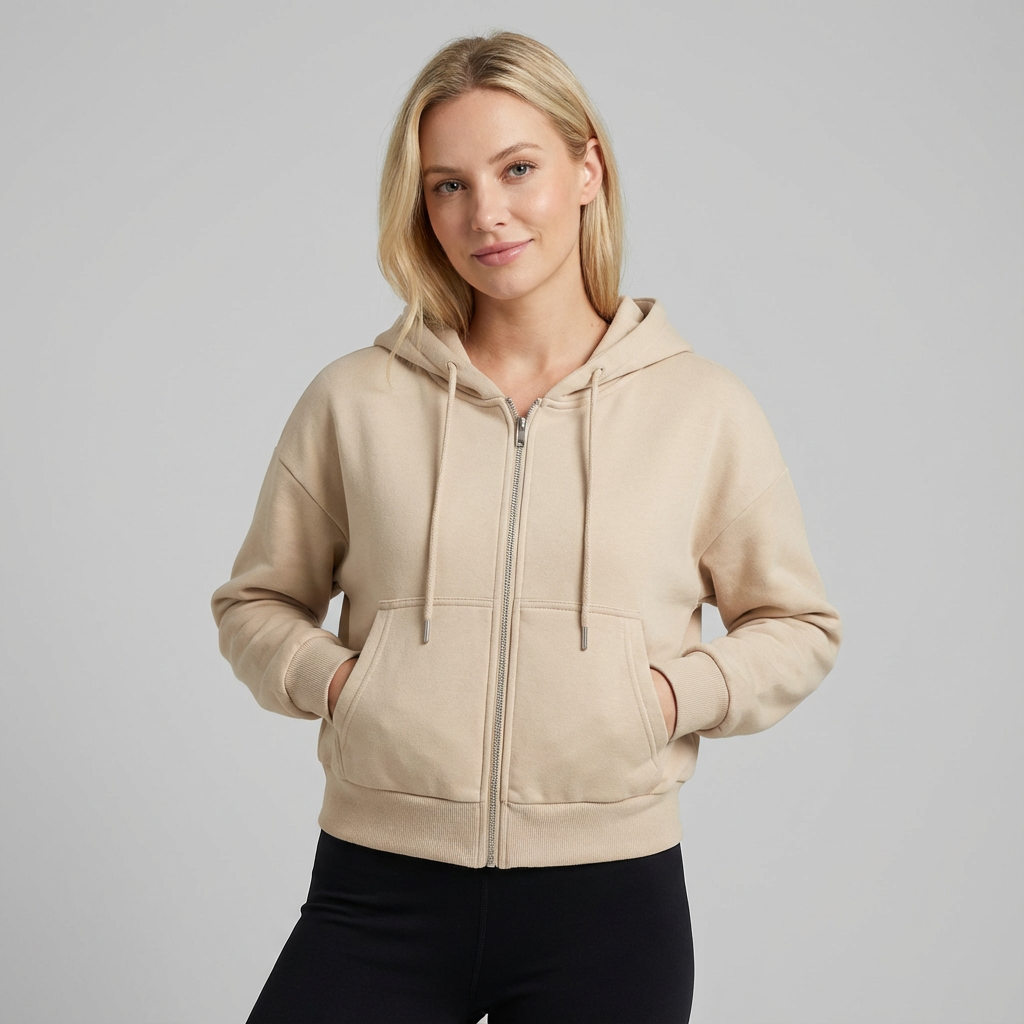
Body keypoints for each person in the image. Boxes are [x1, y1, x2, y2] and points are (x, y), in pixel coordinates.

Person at [211, 29, 842, 1024]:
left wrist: (661, 699)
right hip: (377, 886)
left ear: (588, 170)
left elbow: (798, 626)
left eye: (517, 169)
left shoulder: (701, 409)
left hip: (607, 905)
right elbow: (256, 603)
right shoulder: (356, 399)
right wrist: (343, 685)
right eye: (448, 185)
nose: (485, 214)